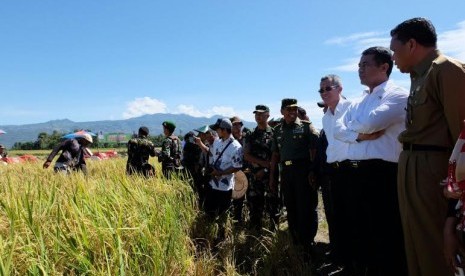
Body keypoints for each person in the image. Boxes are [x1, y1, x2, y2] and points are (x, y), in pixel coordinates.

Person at [390, 17, 465, 276]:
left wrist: (455, 197)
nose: (393, 57)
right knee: (416, 243)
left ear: (411, 44)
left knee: (436, 247)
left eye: (394, 49)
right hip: (413, 167)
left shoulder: (447, 71)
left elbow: (462, 140)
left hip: (435, 173)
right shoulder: (418, 75)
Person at [333, 46, 408, 275]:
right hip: (357, 173)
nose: (359, 69)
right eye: (358, 65)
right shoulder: (359, 101)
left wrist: (355, 129)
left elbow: (371, 123)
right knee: (360, 231)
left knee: (384, 233)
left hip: (383, 174)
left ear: (384, 67)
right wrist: (360, 135)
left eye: (365, 65)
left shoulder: (397, 95)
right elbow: (337, 129)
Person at [269, 98, 319, 259]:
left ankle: (307, 242)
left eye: (295, 109)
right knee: (290, 206)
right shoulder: (277, 130)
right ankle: (295, 240)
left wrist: (313, 171)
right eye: (289, 109)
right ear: (282, 111)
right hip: (286, 172)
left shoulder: (306, 127)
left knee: (305, 206)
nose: (292, 112)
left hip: (303, 171)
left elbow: (315, 151)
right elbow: (275, 155)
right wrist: (272, 178)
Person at [318, 75, 351, 269]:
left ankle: (351, 263)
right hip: (333, 172)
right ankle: (340, 258)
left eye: (327, 89)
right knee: (335, 216)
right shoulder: (326, 117)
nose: (323, 93)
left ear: (339, 88)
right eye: (321, 90)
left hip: (351, 169)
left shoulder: (351, 108)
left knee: (351, 217)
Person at [204, 118, 243, 242]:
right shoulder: (217, 142)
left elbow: (237, 166)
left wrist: (220, 172)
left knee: (222, 215)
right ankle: (209, 234)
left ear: (224, 130)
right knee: (210, 211)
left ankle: (221, 239)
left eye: (217, 129)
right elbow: (211, 153)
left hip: (224, 188)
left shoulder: (236, 146)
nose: (216, 131)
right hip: (212, 184)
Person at [243, 105, 279, 231]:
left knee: (273, 205)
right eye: (256, 114)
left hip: (271, 175)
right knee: (254, 205)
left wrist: (266, 169)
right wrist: (262, 164)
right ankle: (255, 233)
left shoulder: (274, 133)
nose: (258, 116)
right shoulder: (250, 134)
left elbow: (277, 155)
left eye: (261, 114)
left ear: (268, 115)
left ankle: (272, 234)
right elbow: (246, 155)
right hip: (255, 176)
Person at [230, 116, 247, 224]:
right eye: (234, 125)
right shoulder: (229, 141)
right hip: (234, 174)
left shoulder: (247, 138)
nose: (237, 127)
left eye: (239, 124)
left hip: (248, 172)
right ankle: (237, 220)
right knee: (237, 199)